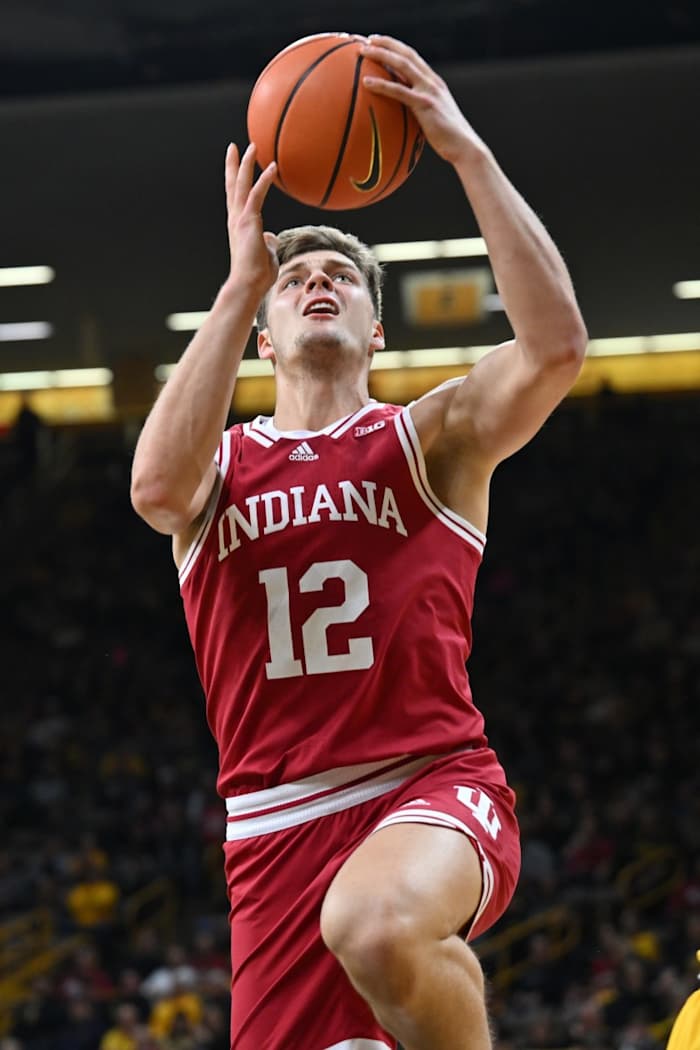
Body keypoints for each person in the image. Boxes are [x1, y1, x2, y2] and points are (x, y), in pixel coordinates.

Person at [130, 34, 587, 1050]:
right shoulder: (218, 466)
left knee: (376, 925)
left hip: (427, 782)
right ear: (262, 334)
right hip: (271, 831)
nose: (319, 282)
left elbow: (556, 348)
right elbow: (155, 491)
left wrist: (466, 153)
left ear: (378, 329)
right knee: (356, 948)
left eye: (342, 275)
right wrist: (240, 282)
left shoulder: (429, 438)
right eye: (296, 279)